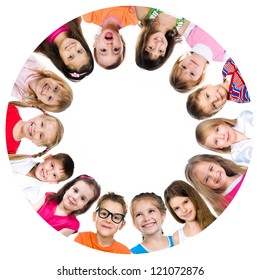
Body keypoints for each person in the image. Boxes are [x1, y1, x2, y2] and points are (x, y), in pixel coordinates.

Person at [33, 174, 101, 237]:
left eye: (82, 198)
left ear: (84, 206)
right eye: (75, 190)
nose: (75, 197)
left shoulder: (72, 225)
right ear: (67, 188)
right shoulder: (49, 197)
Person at [169, 22, 227, 93]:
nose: (190, 66)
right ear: (201, 77)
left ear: (180, 61)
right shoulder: (223, 56)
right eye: (192, 74)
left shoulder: (188, 31)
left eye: (183, 67)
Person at [186, 57, 250, 120]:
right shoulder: (241, 94)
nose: (215, 98)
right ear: (220, 109)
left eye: (207, 96)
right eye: (214, 106)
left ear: (206, 86)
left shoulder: (226, 69)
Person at [35, 17, 94, 82]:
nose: (72, 48)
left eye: (70, 56)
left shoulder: (39, 46)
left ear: (61, 61)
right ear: (84, 46)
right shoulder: (75, 20)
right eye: (79, 51)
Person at [164, 180, 216, 244]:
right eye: (177, 208)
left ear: (194, 197)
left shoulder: (215, 222)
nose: (184, 210)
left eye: (185, 202)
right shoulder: (177, 237)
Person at [10, 153, 75, 204]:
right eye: (52, 165)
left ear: (54, 182)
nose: (48, 172)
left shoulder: (32, 194)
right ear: (48, 157)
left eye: (54, 175)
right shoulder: (23, 158)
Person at [134, 6, 185, 71]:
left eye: (150, 47)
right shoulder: (180, 28)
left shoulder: (144, 15)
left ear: (143, 42)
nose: (158, 44)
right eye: (161, 51)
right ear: (166, 50)